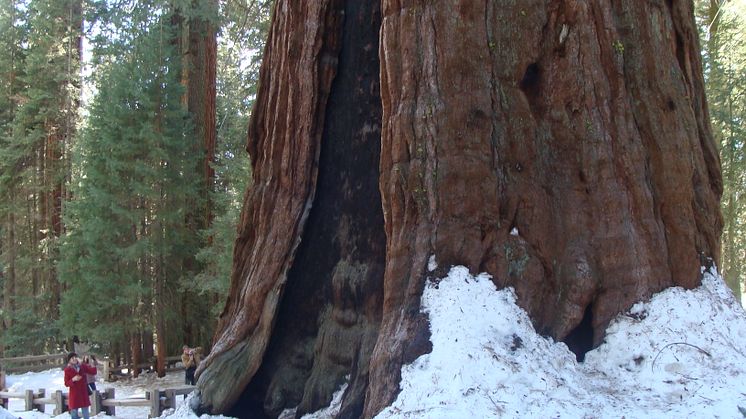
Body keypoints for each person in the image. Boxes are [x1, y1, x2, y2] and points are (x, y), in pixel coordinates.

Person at [64, 352, 96, 419]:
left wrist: (93, 364)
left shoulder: (82, 366)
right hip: (74, 395)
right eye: (73, 358)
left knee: (86, 415)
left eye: (75, 357)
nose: (75, 359)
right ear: (69, 360)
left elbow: (93, 372)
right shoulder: (67, 370)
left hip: (83, 394)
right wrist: (73, 379)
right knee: (74, 415)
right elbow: (66, 383)